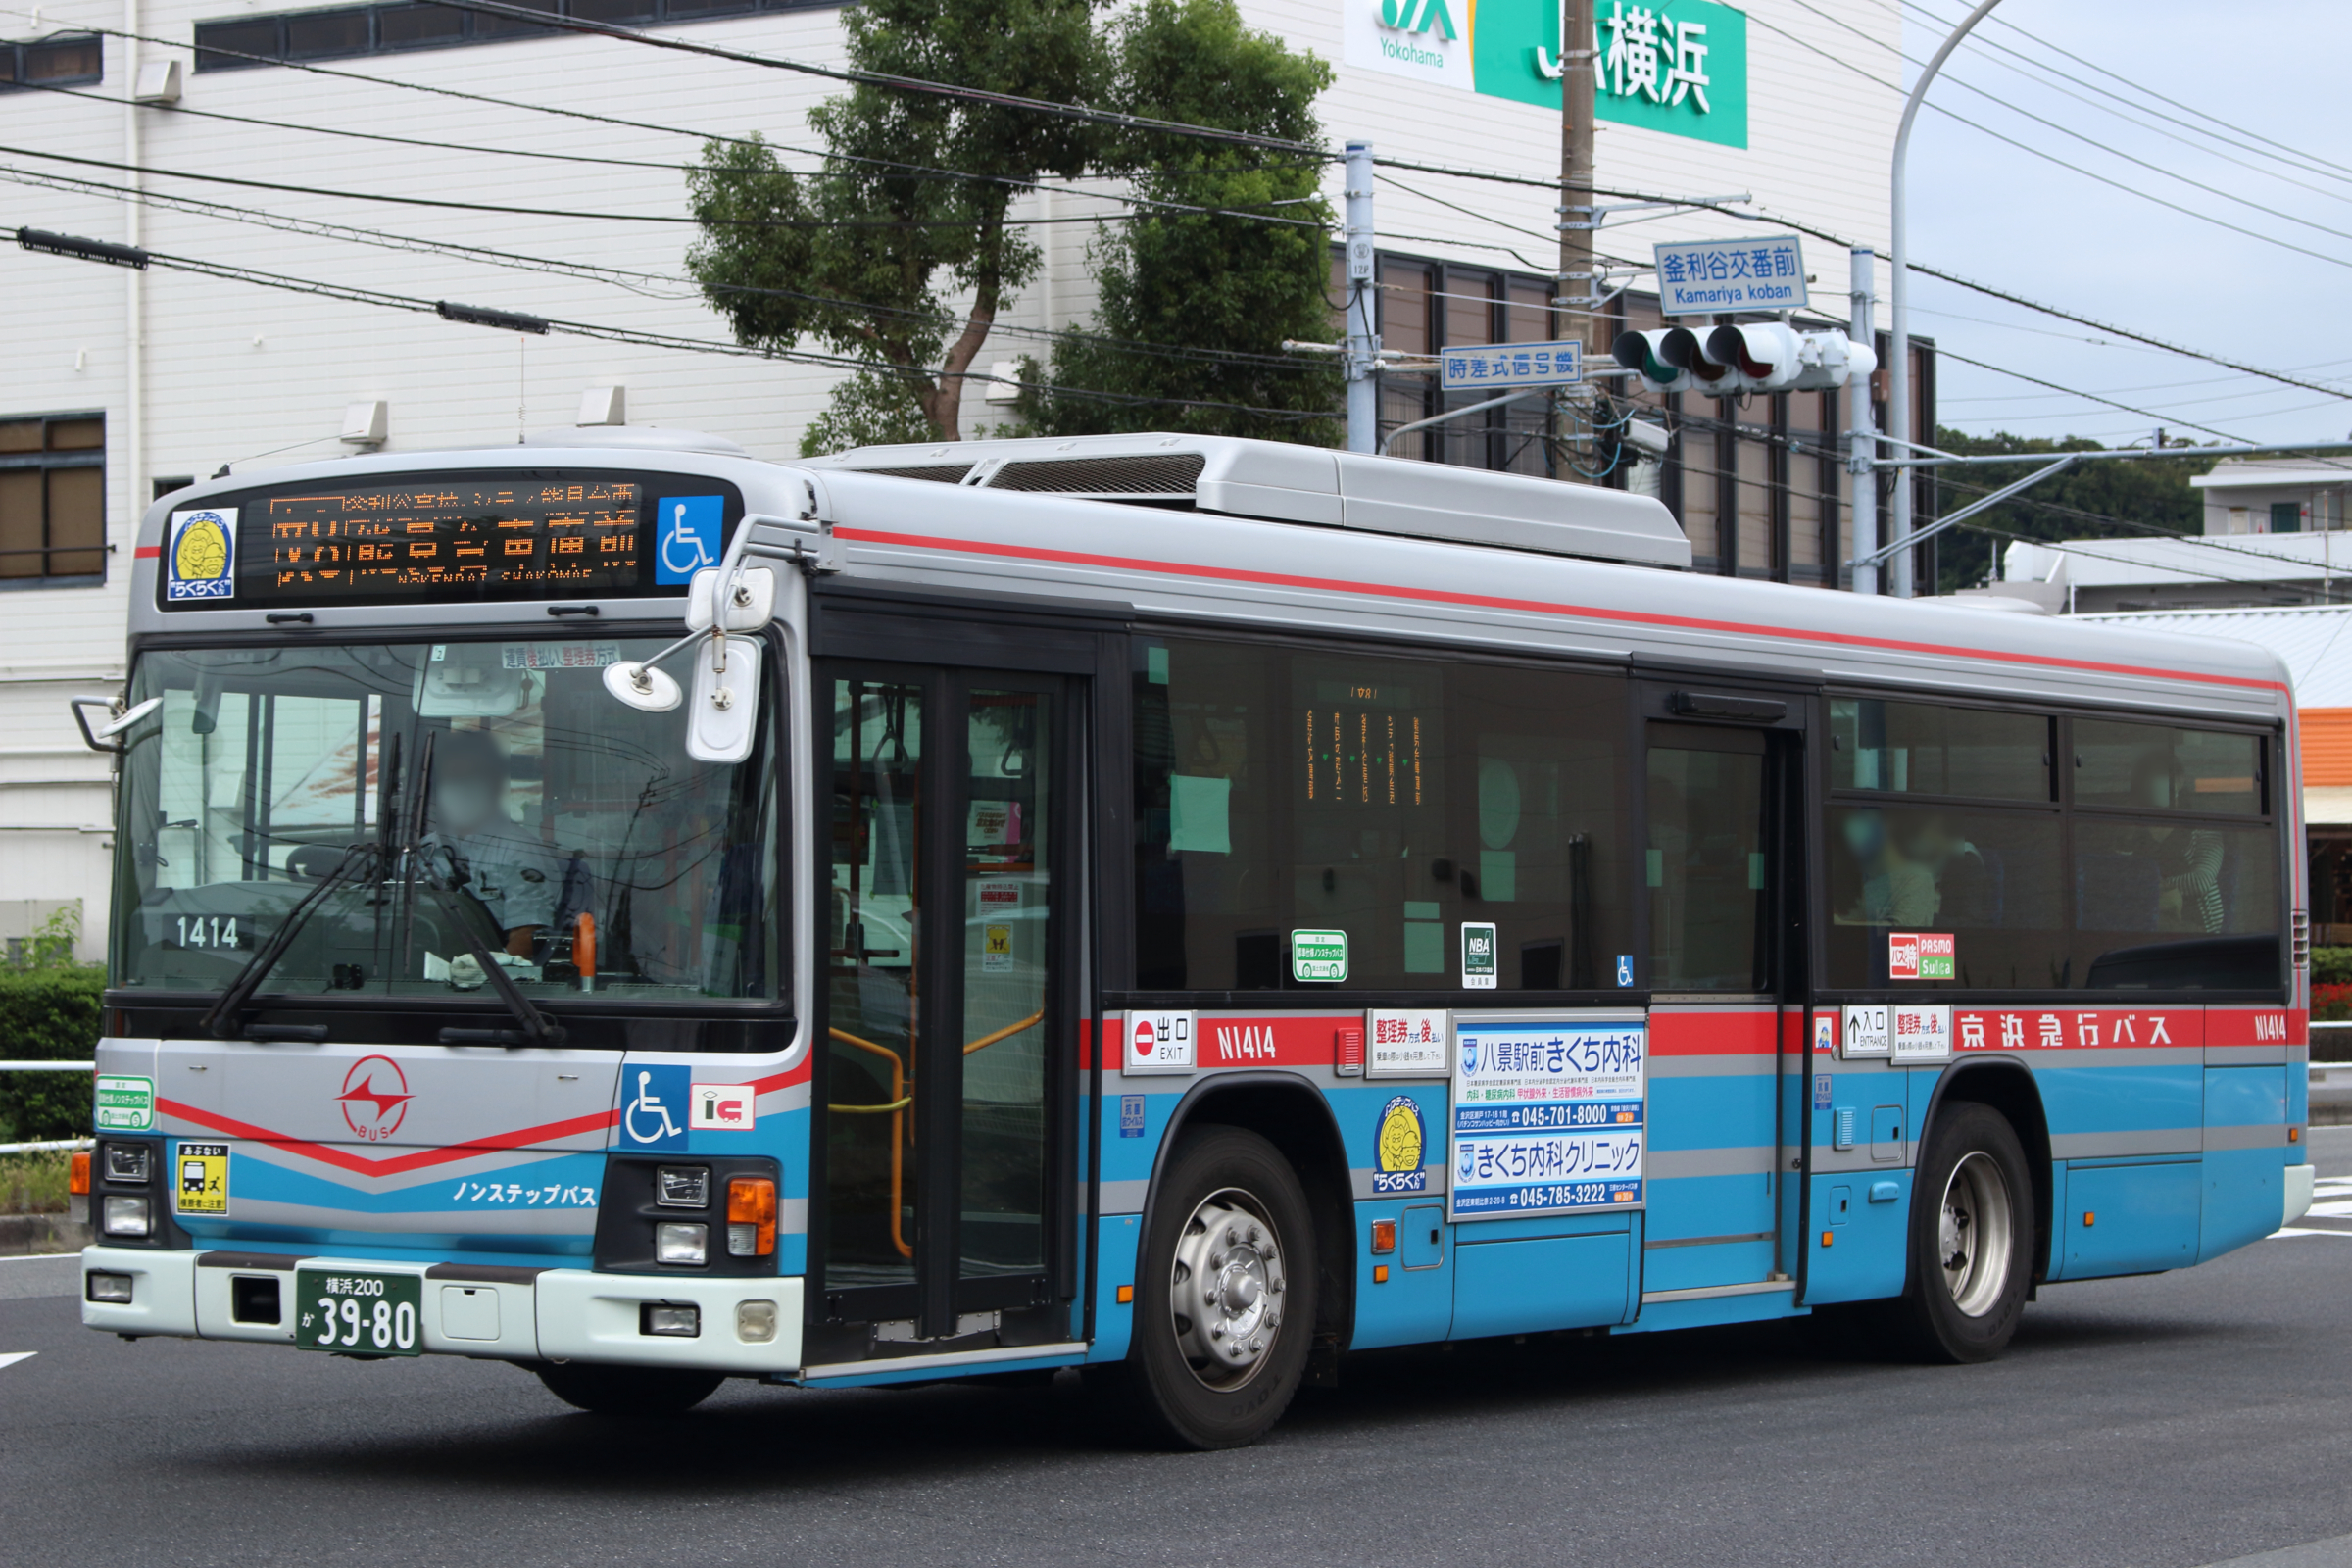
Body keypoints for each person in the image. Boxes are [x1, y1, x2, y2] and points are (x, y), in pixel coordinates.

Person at [423, 727, 559, 957]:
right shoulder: (423, 851)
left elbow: (527, 936)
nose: (461, 787)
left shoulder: (519, 850)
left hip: (491, 974)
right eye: (452, 779)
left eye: (471, 778)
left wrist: (478, 974)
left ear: (494, 784)